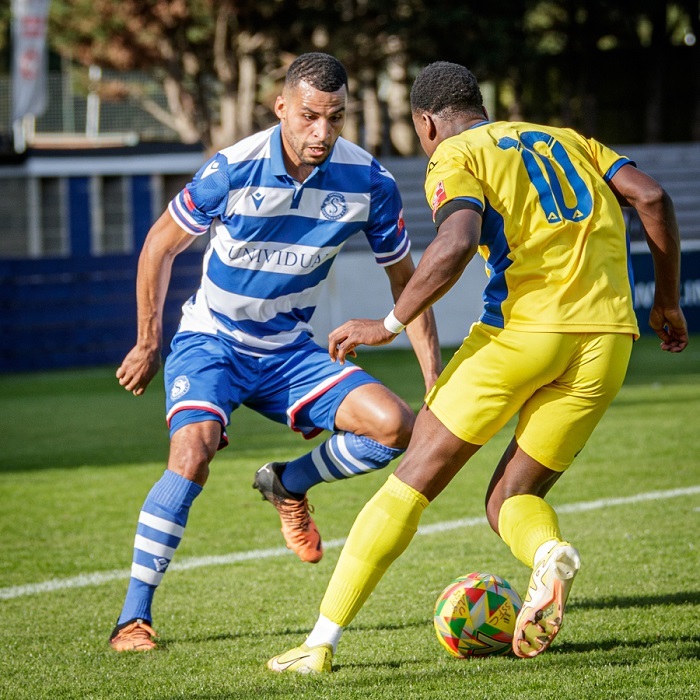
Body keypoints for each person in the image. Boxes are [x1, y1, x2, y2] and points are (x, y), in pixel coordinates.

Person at [267, 61, 689, 672]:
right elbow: (650, 196)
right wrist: (669, 302)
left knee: (409, 484)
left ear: (426, 122)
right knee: (509, 497)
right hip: (608, 340)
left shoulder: (457, 153)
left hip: (522, 334)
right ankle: (547, 555)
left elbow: (457, 240)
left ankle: (320, 644)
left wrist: (385, 325)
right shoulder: (569, 140)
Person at [109, 52, 441, 652]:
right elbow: (159, 245)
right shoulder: (232, 169)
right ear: (281, 107)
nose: (322, 133)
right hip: (211, 341)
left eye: (335, 118)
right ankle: (134, 618)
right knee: (193, 452)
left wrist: (433, 378)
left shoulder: (369, 182)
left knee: (395, 428)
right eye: (310, 116)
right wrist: (149, 338)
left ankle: (289, 483)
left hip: (288, 352)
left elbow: (407, 283)